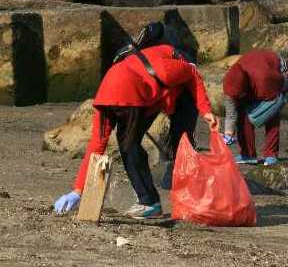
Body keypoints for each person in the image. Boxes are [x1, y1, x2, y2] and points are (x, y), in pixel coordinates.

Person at [53, 42, 218, 219]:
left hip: (181, 88)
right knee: (127, 144)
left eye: (121, 113)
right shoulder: (107, 105)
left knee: (181, 146)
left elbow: (192, 72)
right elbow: (96, 147)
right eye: (115, 113)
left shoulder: (165, 70)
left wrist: (205, 110)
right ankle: (149, 202)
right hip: (142, 97)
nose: (118, 118)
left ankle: (197, 200)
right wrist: (77, 191)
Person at [222, 49, 288, 166]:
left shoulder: (265, 80)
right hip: (254, 74)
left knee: (272, 116)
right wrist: (228, 133)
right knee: (242, 115)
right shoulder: (229, 82)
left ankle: (271, 154)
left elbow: (278, 96)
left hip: (275, 71)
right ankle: (248, 154)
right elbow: (231, 112)